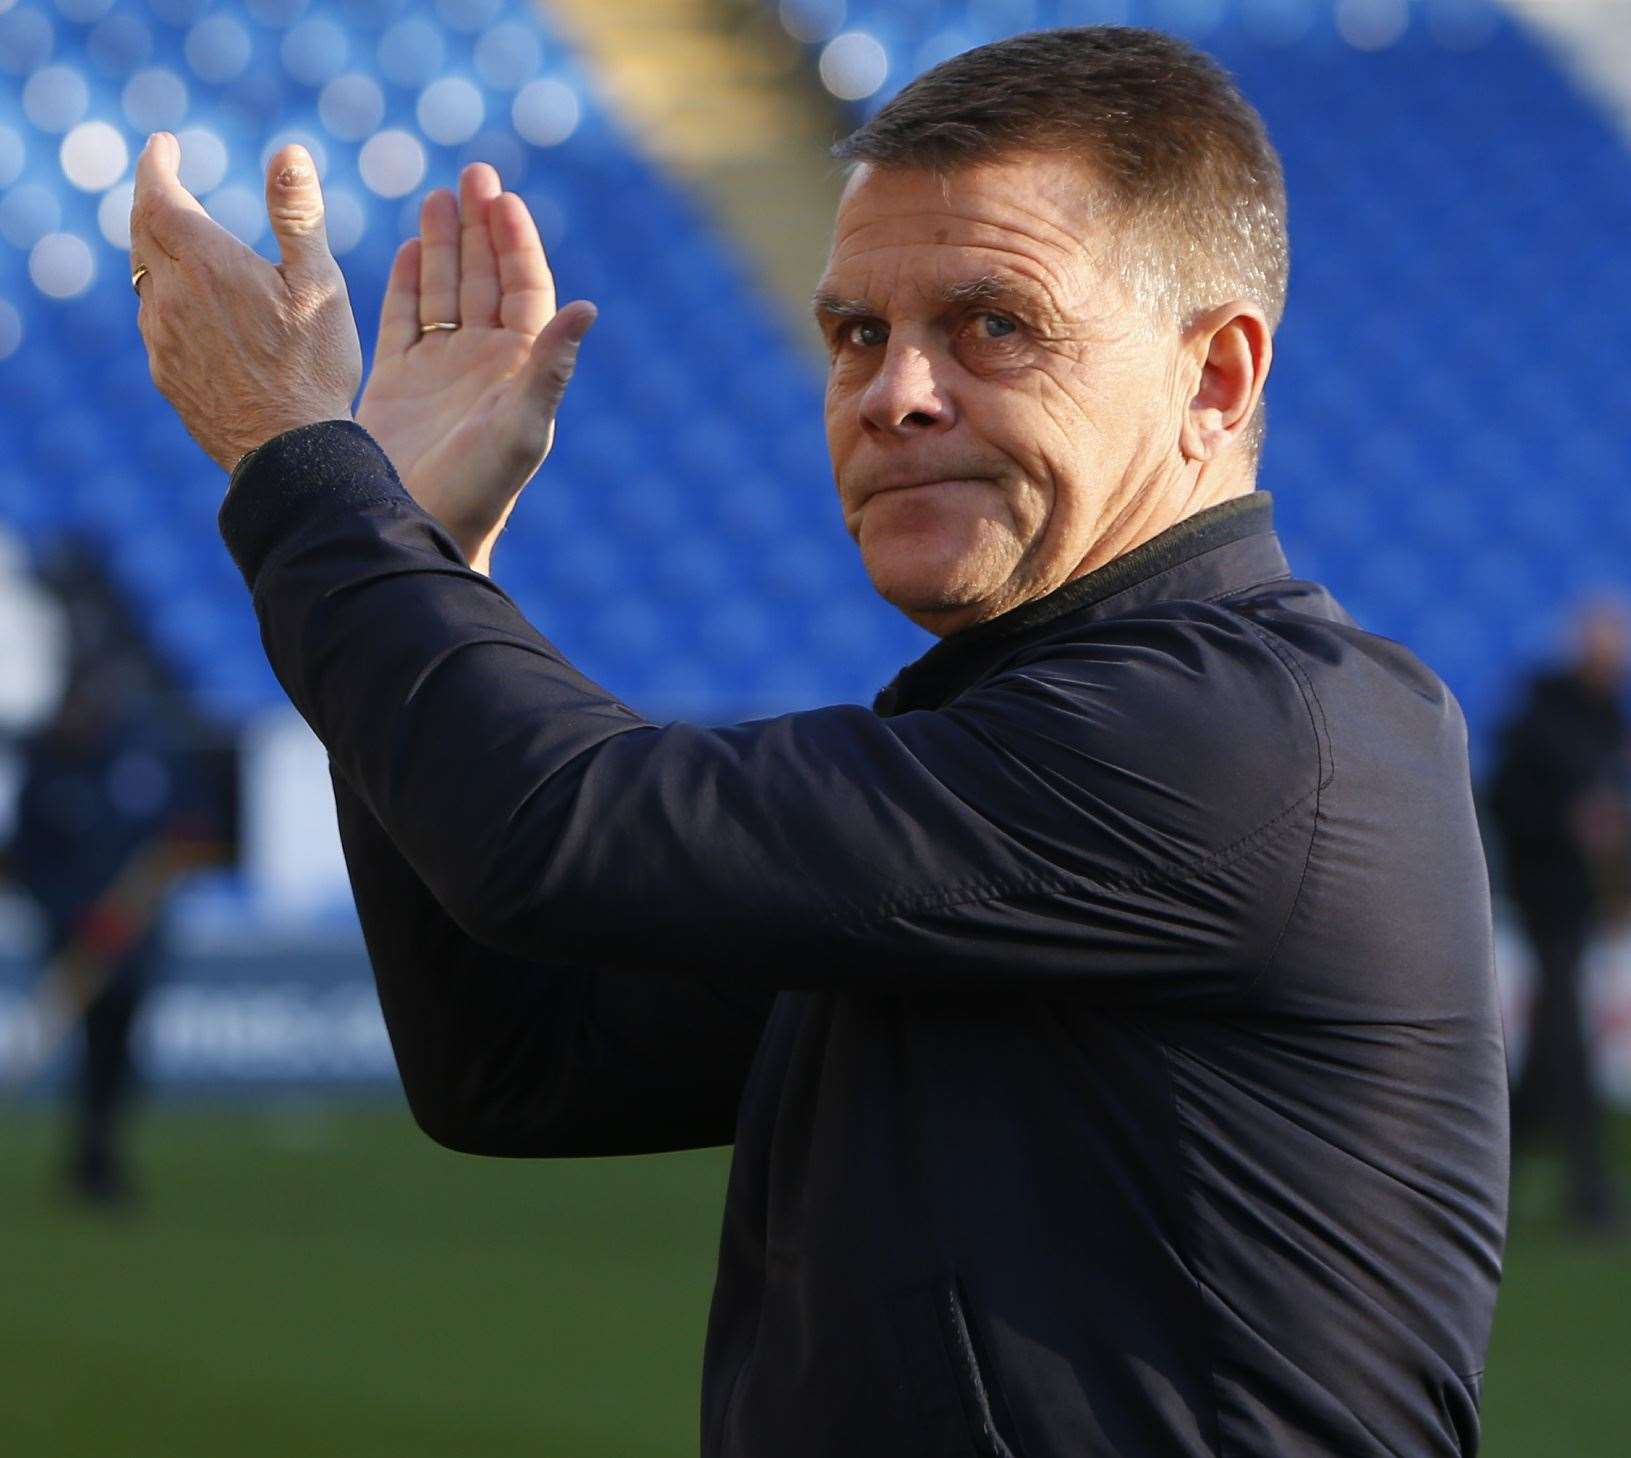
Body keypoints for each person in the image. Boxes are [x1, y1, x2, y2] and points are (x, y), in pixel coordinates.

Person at [129, 26, 1508, 1458]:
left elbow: (552, 827)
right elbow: (523, 1053)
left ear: (1213, 380)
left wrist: (297, 460)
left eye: (991, 322)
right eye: (854, 332)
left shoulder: (1237, 737)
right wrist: (427, 548)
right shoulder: (1042, 730)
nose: (890, 392)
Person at [1488, 600, 1629, 1234]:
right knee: (1565, 1032)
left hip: (1576, 902)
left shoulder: (1601, 716)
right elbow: (1510, 803)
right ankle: (1586, 1186)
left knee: (1554, 1036)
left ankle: (1505, 1156)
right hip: (1550, 898)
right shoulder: (1544, 719)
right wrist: (1570, 825)